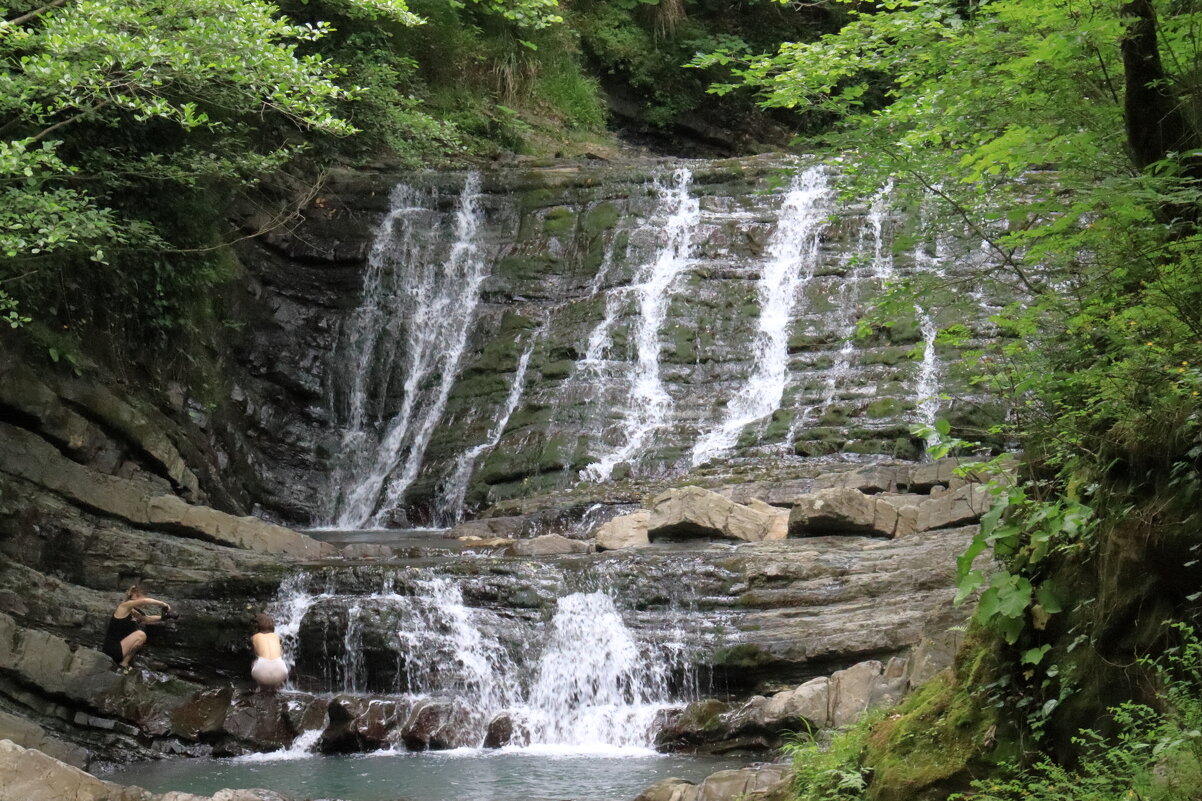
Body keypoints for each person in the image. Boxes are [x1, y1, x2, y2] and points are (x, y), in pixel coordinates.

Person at [102, 585, 174, 673]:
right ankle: (124, 664)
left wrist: (164, 617)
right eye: (143, 595)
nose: (143, 602)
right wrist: (164, 604)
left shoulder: (132, 610)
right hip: (112, 649)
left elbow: (147, 619)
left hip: (120, 648)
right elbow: (144, 601)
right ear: (135, 595)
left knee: (141, 634)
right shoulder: (123, 606)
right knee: (141, 635)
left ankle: (124, 663)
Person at [250, 613, 289, 692]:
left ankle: (261, 688)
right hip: (282, 671)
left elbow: (256, 653)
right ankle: (275, 688)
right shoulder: (276, 637)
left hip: (261, 672)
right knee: (279, 660)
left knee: (255, 662)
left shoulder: (254, 637)